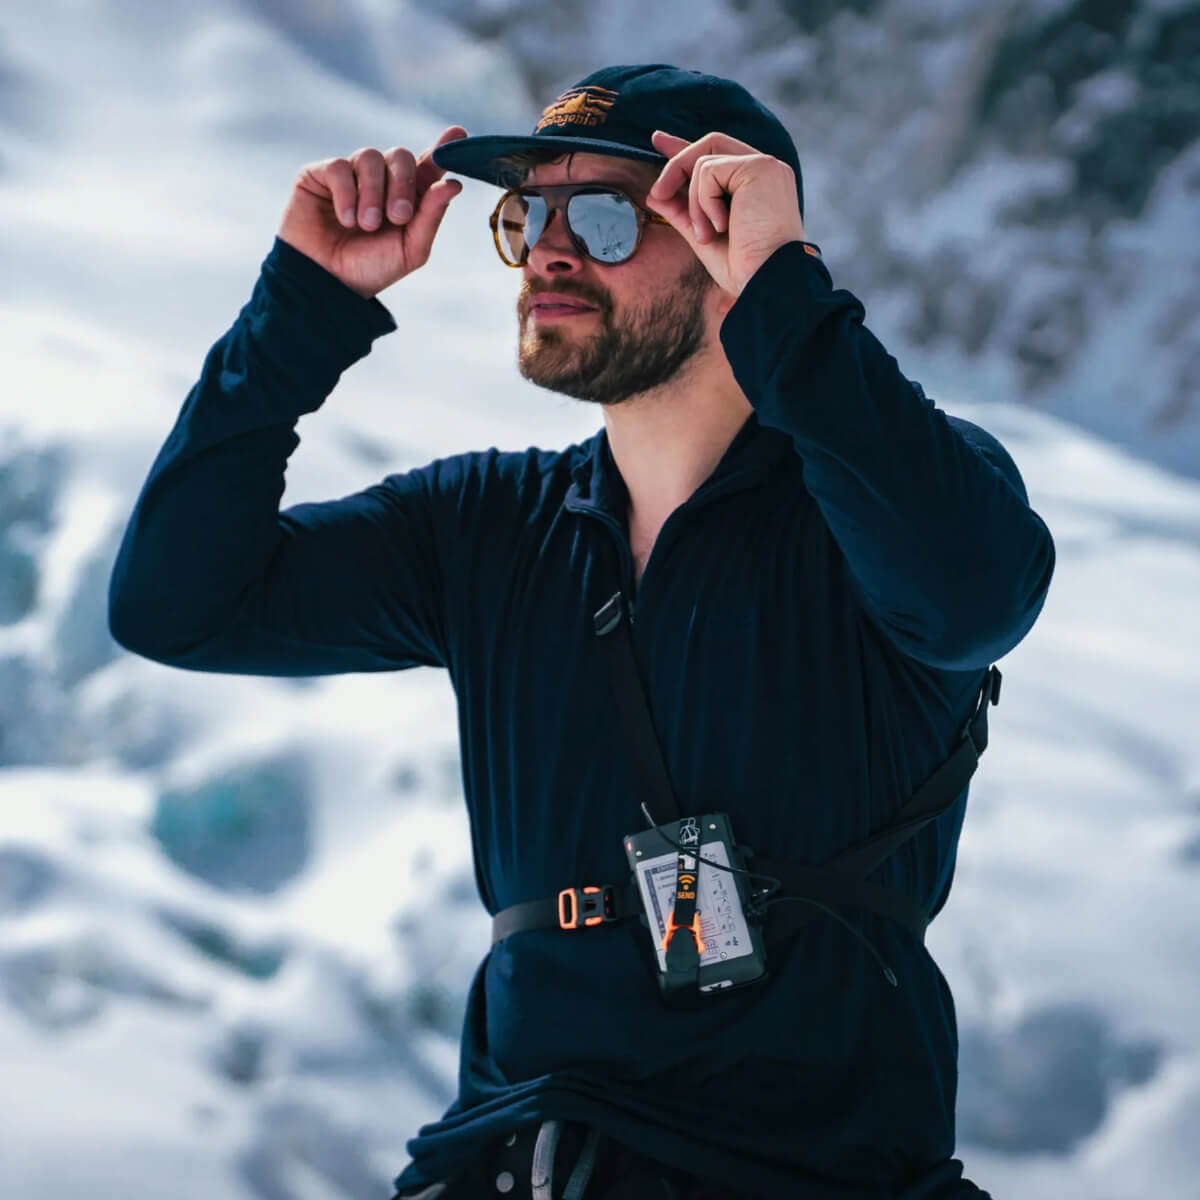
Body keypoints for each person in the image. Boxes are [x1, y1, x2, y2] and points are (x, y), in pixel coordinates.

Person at [108, 62, 1055, 1199]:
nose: (552, 249)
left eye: (605, 216)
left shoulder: (890, 504)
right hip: (509, 1160)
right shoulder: (485, 526)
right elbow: (178, 605)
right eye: (530, 215)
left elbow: (973, 596)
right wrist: (302, 306)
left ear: (725, 244)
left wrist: (783, 290)